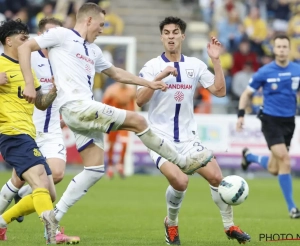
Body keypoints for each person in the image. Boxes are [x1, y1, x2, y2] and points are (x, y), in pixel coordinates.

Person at [16, 2, 213, 231]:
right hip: (77, 106)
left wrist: (148, 82)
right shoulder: (61, 35)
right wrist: (30, 84)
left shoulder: (94, 50)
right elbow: (23, 48)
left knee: (94, 170)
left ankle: (54, 217)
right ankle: (183, 162)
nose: (102, 29)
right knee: (139, 121)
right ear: (88, 20)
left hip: (81, 112)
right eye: (100, 25)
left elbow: (116, 73)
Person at [136, 16, 251, 246]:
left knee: (218, 177)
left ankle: (230, 227)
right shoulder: (151, 66)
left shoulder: (195, 65)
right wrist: (158, 79)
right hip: (160, 139)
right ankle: (172, 223)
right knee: (180, 182)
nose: (171, 36)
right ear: (161, 37)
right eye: (166, 32)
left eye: (175, 32)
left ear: (182, 36)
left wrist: (215, 60)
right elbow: (139, 100)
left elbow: (219, 91)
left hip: (189, 139)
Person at [0, 17, 79, 244]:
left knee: (48, 191)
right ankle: (53, 234)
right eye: (23, 38)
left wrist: (54, 90)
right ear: (9, 40)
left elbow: (40, 103)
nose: (28, 42)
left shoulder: (28, 71)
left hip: (28, 135)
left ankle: (1, 222)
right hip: (11, 134)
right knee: (38, 182)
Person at [236, 34, 300, 219]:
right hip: (270, 120)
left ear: (289, 49)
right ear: (274, 49)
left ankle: (250, 156)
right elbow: (246, 94)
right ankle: (292, 208)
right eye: (278, 47)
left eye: (284, 47)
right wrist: (241, 115)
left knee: (275, 168)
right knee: (285, 160)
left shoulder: (297, 69)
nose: (281, 50)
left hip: (289, 121)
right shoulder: (264, 72)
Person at [102, 82, 136, 179]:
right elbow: (104, 103)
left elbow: (133, 105)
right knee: (111, 145)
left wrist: (132, 117)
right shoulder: (111, 90)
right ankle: (110, 167)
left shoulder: (130, 91)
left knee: (125, 143)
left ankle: (120, 164)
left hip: (124, 121)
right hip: (112, 121)